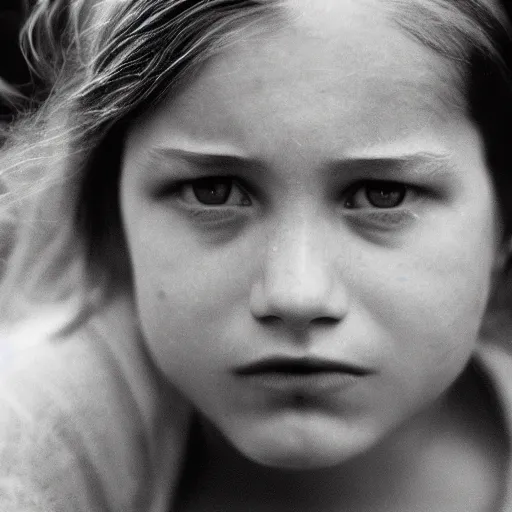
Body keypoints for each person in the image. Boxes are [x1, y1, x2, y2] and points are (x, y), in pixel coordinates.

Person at [1, 0, 512, 510]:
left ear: (504, 220)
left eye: (383, 195)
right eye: (214, 191)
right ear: (110, 215)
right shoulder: (29, 438)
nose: (295, 294)